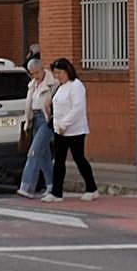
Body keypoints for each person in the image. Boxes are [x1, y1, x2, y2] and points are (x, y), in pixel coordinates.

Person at [42, 57, 98, 203]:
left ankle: (91, 188)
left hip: (75, 130)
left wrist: (64, 124)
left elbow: (77, 108)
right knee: (58, 161)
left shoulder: (76, 86)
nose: (58, 76)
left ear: (67, 71)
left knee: (79, 158)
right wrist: (56, 124)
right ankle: (56, 192)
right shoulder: (60, 87)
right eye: (55, 73)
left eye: (60, 73)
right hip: (59, 130)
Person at [16, 57, 58, 198]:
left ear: (42, 69)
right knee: (44, 155)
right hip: (35, 119)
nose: (35, 76)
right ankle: (52, 185)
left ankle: (27, 186)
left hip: (47, 120)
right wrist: (27, 120)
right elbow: (29, 104)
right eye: (32, 73)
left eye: (37, 72)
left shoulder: (53, 84)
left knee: (34, 152)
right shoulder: (32, 85)